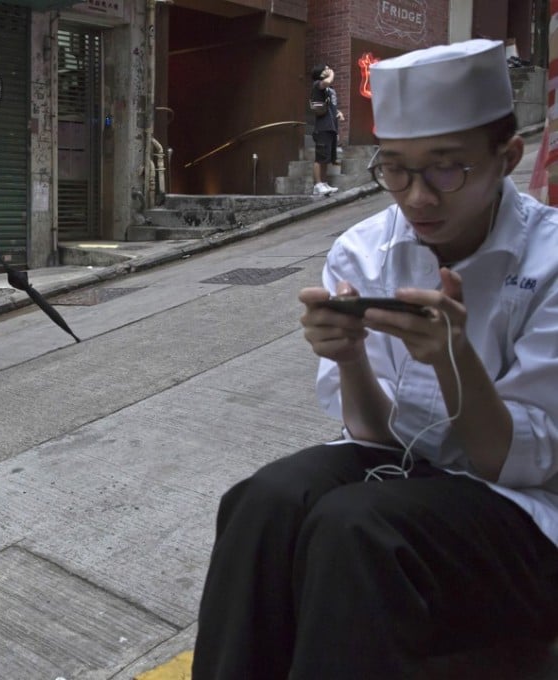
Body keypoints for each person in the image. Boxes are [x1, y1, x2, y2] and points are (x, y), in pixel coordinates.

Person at [193, 40, 558, 679]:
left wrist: (454, 362)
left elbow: (516, 461)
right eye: (395, 169)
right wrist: (351, 357)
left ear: (508, 157)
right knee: (265, 501)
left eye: (447, 169)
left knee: (354, 530)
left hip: (525, 512)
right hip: (409, 469)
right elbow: (373, 438)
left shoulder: (549, 261)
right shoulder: (365, 248)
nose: (417, 197)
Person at [310, 63, 345, 196]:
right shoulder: (318, 84)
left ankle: (323, 183)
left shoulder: (330, 89)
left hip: (331, 127)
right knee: (320, 157)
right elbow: (326, 82)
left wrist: (338, 112)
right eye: (325, 68)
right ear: (320, 73)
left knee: (327, 157)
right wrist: (331, 75)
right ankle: (317, 185)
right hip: (323, 127)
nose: (328, 69)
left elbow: (330, 106)